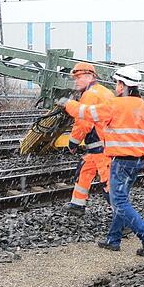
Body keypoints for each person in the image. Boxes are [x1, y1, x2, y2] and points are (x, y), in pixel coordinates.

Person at [74, 65, 144, 256]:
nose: (116, 87)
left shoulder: (116, 105)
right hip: (138, 161)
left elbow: (87, 114)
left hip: (121, 161)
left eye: (117, 83)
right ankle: (113, 239)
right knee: (122, 199)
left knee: (119, 202)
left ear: (122, 86)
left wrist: (66, 103)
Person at [56, 62, 114, 217]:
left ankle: (124, 219)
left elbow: (83, 122)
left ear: (90, 76)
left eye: (79, 77)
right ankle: (77, 205)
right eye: (75, 78)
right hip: (102, 144)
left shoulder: (90, 94)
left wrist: (73, 141)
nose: (76, 81)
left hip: (102, 146)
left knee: (108, 182)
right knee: (85, 170)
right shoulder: (104, 91)